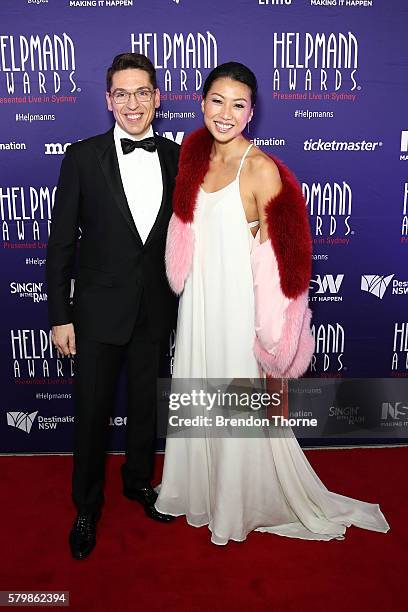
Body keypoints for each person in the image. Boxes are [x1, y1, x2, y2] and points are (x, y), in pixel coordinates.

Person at [155, 62, 390, 545]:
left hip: (237, 311)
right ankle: (197, 489)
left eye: (238, 104)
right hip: (199, 305)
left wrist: (274, 346)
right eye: (217, 100)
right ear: (202, 103)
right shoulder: (194, 157)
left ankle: (234, 504)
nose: (225, 113)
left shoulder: (261, 169)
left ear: (251, 112)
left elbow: (283, 267)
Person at [46, 53, 180, 560]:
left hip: (155, 310)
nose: (132, 103)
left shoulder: (175, 156)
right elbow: (61, 243)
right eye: (121, 94)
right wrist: (60, 315)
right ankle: (86, 508)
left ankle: (139, 483)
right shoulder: (82, 157)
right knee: (92, 416)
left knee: (146, 409)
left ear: (157, 97)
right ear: (108, 101)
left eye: (141, 92)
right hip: (97, 313)